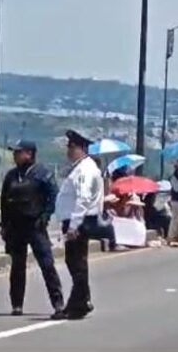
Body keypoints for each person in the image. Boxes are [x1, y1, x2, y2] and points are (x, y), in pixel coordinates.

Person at [0, 139, 63, 317]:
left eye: (18, 152)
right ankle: (17, 304)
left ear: (29, 153)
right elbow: (4, 202)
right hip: (16, 227)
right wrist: (4, 225)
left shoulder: (42, 173)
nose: (15, 156)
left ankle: (58, 303)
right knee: (17, 266)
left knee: (47, 265)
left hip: (35, 226)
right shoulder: (11, 176)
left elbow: (53, 196)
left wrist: (45, 216)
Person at [55, 129, 104, 320]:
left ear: (82, 148)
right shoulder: (81, 167)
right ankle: (83, 300)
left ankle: (78, 304)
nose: (69, 150)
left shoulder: (85, 169)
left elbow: (83, 199)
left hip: (79, 221)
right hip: (77, 219)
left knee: (76, 263)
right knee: (76, 262)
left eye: (72, 147)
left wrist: (73, 226)